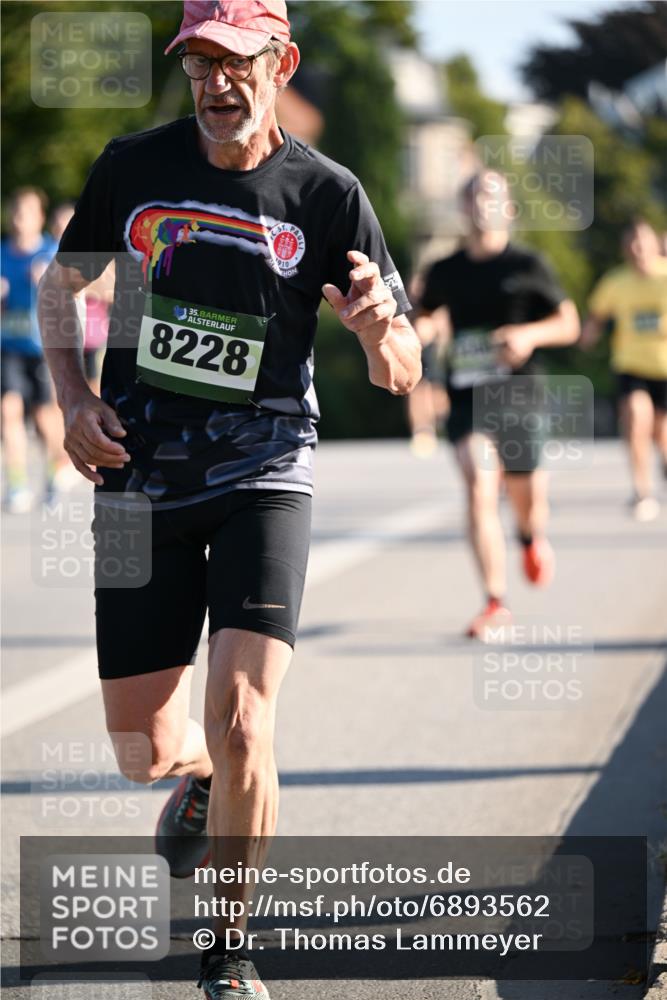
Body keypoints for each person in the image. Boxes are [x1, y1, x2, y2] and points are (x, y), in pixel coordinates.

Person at [38, 1, 421, 996]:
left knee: (246, 715)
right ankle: (202, 781)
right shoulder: (132, 167)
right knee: (142, 749)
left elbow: (402, 370)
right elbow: (60, 282)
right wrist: (75, 397)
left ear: (281, 62)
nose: (215, 81)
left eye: (236, 59)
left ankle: (229, 945)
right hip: (134, 480)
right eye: (198, 59)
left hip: (265, 472)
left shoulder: (326, 194)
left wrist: (381, 333)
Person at [414, 169, 580, 640]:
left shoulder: (528, 264)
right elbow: (422, 319)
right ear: (463, 209)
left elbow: (568, 323)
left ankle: (530, 538)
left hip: (520, 394)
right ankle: (494, 601)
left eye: (491, 194)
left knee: (527, 497)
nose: (481, 202)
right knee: (479, 482)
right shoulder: (445, 270)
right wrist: (413, 335)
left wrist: (528, 335)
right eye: (472, 195)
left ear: (508, 208)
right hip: (468, 395)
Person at [582, 219, 667, 521]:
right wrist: (588, 334)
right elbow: (596, 314)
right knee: (635, 418)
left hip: (664, 367)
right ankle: (642, 491)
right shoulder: (616, 281)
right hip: (631, 365)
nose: (637, 248)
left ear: (656, 244)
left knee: (661, 433)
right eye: (631, 242)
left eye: (643, 241)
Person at [1, 187, 70, 511]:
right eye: (15, 212)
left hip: (44, 346)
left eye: (26, 212)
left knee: (44, 418)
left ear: (39, 217)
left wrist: (49, 283)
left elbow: (77, 296)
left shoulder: (52, 251)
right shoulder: (2, 254)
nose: (19, 219)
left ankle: (56, 470)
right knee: (8, 410)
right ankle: (17, 484)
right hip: (9, 345)